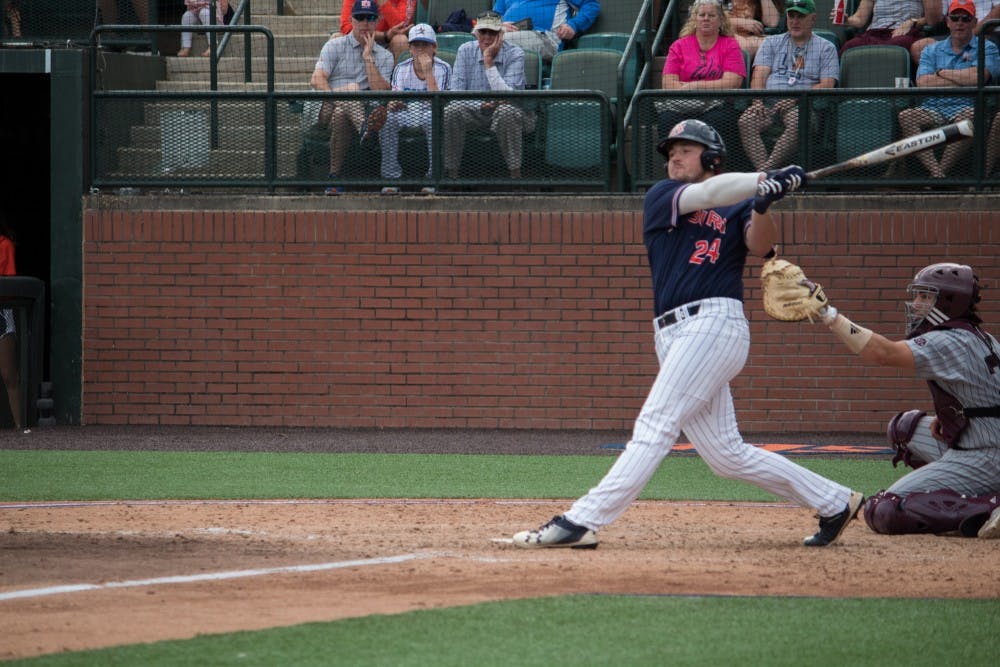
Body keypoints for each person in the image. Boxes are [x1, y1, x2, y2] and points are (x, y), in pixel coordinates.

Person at [512, 119, 865, 550]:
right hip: (673, 333)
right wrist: (763, 178)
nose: (674, 157)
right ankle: (833, 501)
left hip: (714, 323)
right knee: (725, 455)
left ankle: (581, 521)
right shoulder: (664, 196)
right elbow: (711, 194)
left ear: (712, 157)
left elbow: (762, 247)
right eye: (671, 151)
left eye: (685, 149)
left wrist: (763, 204)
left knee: (656, 423)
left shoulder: (739, 205)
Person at [809, 263, 1000, 540]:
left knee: (884, 509)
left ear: (948, 301)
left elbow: (882, 353)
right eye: (918, 296)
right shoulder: (981, 337)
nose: (916, 303)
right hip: (982, 438)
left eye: (925, 297)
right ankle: (969, 488)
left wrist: (829, 315)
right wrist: (955, 414)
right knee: (904, 428)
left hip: (985, 454)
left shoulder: (948, 341)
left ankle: (989, 506)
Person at [896, 0, 1000, 178]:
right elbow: (923, 82)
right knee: (906, 116)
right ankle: (937, 174)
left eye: (966, 18)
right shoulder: (931, 50)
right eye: (955, 18)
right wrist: (963, 78)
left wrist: (942, 72)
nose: (960, 23)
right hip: (933, 108)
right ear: (948, 22)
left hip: (967, 108)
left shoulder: (987, 46)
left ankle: (939, 173)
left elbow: (978, 78)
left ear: (975, 22)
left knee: (970, 117)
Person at [738, 0, 838, 171]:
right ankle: (768, 175)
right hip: (769, 102)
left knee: (797, 121)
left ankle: (765, 173)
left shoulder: (826, 47)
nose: (795, 21)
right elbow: (759, 76)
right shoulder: (771, 43)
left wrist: (794, 99)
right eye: (791, 16)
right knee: (746, 121)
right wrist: (757, 102)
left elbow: (828, 83)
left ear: (813, 19)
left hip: (802, 104)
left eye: (801, 17)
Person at [310, 0, 394, 195]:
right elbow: (316, 79)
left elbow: (380, 90)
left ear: (377, 21)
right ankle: (366, 128)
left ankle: (334, 177)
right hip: (325, 107)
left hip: (350, 112)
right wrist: (338, 96)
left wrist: (368, 58)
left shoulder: (384, 56)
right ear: (352, 20)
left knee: (342, 114)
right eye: (360, 17)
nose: (365, 23)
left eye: (370, 18)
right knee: (351, 88)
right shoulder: (335, 45)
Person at [444, 10, 535, 181]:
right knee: (452, 110)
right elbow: (456, 93)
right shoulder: (465, 50)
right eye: (483, 32)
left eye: (492, 32)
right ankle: (451, 175)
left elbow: (509, 96)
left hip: (513, 112)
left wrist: (488, 61)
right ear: (476, 33)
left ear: (501, 34)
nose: (487, 37)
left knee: (506, 111)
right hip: (476, 111)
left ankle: (516, 176)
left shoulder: (516, 53)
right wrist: (480, 105)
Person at [658, 0, 747, 164]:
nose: (706, 19)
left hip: (717, 104)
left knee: (721, 119)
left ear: (720, 21)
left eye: (711, 15)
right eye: (702, 15)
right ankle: (674, 169)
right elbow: (668, 83)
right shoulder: (679, 45)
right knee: (666, 119)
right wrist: (699, 90)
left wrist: (696, 86)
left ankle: (715, 169)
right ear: (695, 19)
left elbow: (732, 82)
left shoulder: (730, 45)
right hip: (683, 104)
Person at [373, 23, 451, 194]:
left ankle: (433, 177)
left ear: (435, 47)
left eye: (425, 45)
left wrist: (428, 71)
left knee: (432, 118)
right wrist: (394, 104)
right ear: (410, 48)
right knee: (388, 120)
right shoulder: (401, 68)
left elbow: (438, 103)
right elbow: (396, 98)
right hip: (406, 112)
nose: (420, 50)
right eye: (416, 45)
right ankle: (391, 178)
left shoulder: (443, 68)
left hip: (430, 113)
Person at [493, 0, 602, 64]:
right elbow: (495, 15)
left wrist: (574, 25)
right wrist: (499, 26)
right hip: (506, 34)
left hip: (544, 38)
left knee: (495, 42)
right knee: (479, 38)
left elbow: (591, 5)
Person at [836, 0, 943, 64]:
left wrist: (913, 22)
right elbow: (860, 19)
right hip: (874, 33)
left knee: (896, 46)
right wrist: (847, 20)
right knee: (849, 46)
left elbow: (934, 19)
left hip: (903, 33)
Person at [338, 0, 426, 61]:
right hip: (360, 41)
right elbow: (346, 28)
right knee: (336, 37)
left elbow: (401, 26)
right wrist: (384, 35)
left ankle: (395, 84)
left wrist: (383, 2)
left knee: (401, 40)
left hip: (388, 44)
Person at [0, 214, 22, 431]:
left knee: (9, 374)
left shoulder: (5, 245)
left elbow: (11, 283)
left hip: (1, 312)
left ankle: (19, 426)